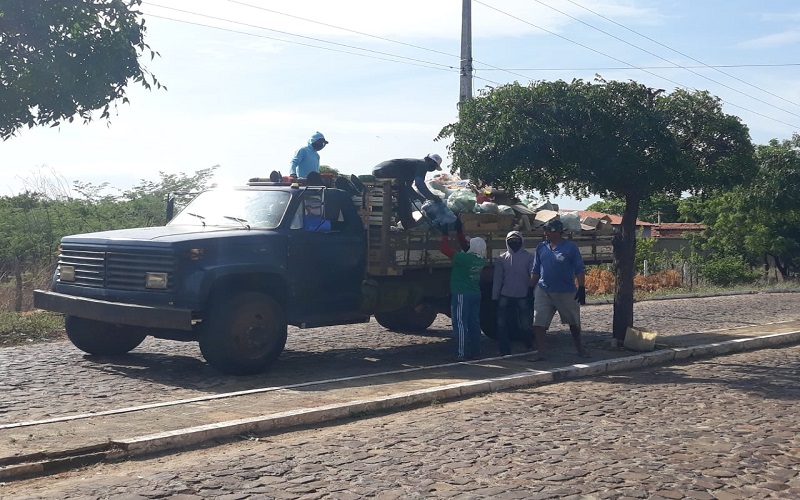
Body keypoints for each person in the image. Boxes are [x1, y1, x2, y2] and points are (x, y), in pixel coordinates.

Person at [530, 218, 589, 360]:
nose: (546, 234)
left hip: (566, 291)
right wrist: (530, 288)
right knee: (539, 321)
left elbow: (579, 269)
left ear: (558, 232)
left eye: (549, 231)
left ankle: (580, 348)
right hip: (544, 290)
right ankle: (541, 352)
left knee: (574, 322)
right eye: (546, 231)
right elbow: (536, 269)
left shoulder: (570, 247)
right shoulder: (541, 247)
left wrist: (581, 287)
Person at [439, 219, 487, 361]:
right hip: (475, 293)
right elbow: (465, 246)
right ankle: (476, 351)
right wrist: (459, 232)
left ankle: (460, 353)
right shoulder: (480, 259)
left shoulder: (463, 258)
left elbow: (444, 249)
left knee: (460, 323)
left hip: (461, 294)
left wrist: (445, 235)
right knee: (474, 322)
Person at [491, 231, 535, 356]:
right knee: (501, 324)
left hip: (523, 295)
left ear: (522, 241)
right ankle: (504, 349)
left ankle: (528, 343)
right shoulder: (501, 258)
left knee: (526, 323)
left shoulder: (529, 257)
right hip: (505, 295)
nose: (514, 242)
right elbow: (498, 279)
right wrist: (495, 297)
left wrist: (532, 291)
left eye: (516, 240)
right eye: (511, 240)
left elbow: (533, 275)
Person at [371, 154, 443, 229]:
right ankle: (409, 225)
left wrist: (421, 198)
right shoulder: (422, 164)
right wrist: (432, 197)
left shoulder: (412, 167)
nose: (434, 169)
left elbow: (408, 188)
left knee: (385, 196)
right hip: (386, 171)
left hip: (377, 170)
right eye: (434, 167)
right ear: (431, 162)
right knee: (403, 198)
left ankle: (376, 225)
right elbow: (419, 184)